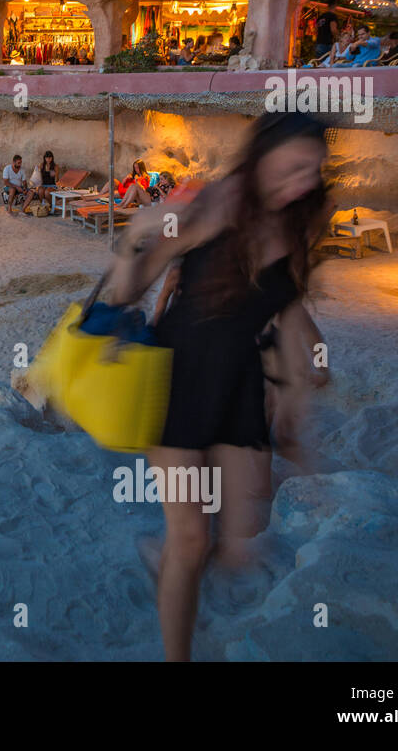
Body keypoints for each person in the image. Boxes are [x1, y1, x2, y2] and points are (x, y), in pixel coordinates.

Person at [105, 110, 329, 662]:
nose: (304, 181)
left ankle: (168, 560)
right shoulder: (213, 206)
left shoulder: (300, 219)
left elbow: (289, 303)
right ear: (262, 155)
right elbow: (125, 290)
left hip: (240, 383)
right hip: (178, 380)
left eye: (314, 171)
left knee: (240, 543)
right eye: (295, 167)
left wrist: (299, 389)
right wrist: (137, 233)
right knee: (191, 539)